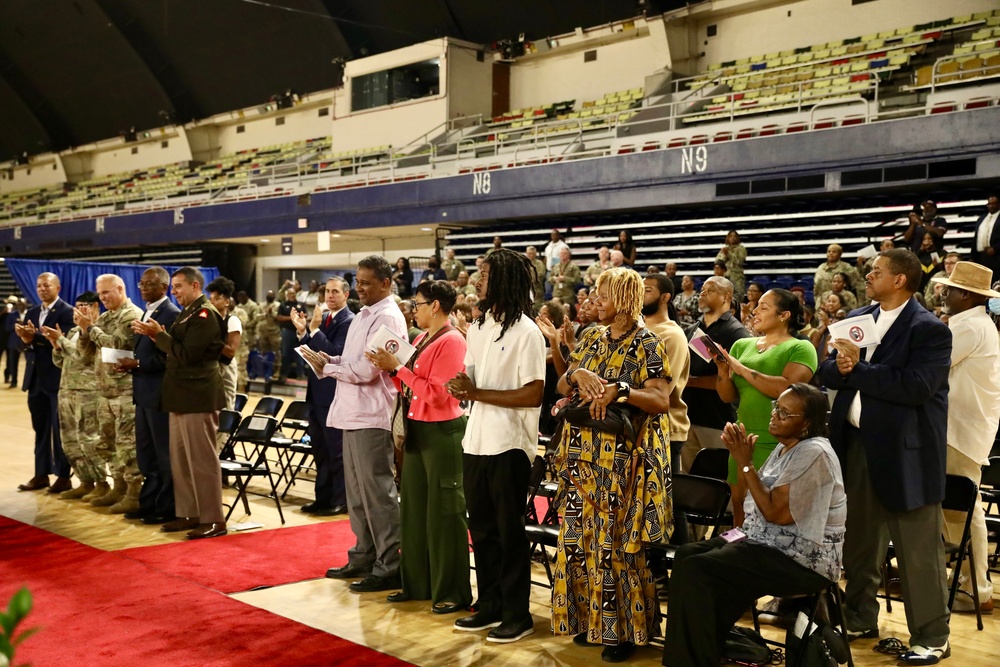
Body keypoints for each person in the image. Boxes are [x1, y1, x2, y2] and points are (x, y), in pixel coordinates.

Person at [817, 249, 952, 665]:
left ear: (900, 280)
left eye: (877, 270)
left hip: (906, 453)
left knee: (916, 550)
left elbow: (915, 387)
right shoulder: (859, 317)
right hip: (856, 444)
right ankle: (859, 617)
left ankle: (933, 636)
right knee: (858, 543)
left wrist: (854, 370)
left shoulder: (929, 330)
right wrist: (837, 365)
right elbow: (826, 373)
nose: (868, 274)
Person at [662, 384, 846, 667]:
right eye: (776, 408)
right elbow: (756, 507)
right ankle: (705, 647)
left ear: (807, 423)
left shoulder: (814, 453)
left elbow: (775, 513)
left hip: (801, 560)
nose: (775, 416)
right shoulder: (786, 448)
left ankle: (692, 659)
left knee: (699, 569)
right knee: (687, 556)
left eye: (785, 413)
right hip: (764, 542)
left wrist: (745, 463)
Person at [552, 268, 672, 662]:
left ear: (623, 299)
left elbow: (660, 401)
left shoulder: (648, 343)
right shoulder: (591, 338)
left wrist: (621, 389)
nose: (593, 301)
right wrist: (576, 371)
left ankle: (624, 631)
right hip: (582, 460)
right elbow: (562, 386)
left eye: (602, 295)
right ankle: (591, 622)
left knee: (617, 548)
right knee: (580, 543)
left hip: (624, 463)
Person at [446, 248, 545, 644]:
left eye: (484, 274)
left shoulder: (528, 333)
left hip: (510, 444)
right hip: (477, 439)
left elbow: (534, 393)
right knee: (482, 530)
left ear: (503, 279)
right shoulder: (480, 325)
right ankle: (488, 606)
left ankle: (516, 614)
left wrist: (478, 391)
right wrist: (460, 383)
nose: (477, 279)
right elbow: (470, 375)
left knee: (509, 532)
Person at [366, 280, 472, 614]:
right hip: (417, 429)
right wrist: (389, 368)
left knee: (445, 513)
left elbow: (439, 394)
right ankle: (417, 583)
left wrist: (397, 368)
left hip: (442, 431)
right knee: (413, 510)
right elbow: (411, 384)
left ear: (436, 306)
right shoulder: (420, 338)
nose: (415, 308)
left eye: (419, 302)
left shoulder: (453, 340)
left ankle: (452, 590)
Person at [302, 256, 406, 592]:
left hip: (372, 415)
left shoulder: (388, 316)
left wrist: (327, 369)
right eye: (357, 281)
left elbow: (365, 372)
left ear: (386, 284)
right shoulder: (365, 315)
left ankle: (390, 564)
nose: (358, 288)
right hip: (352, 412)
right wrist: (328, 360)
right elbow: (351, 362)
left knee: (378, 493)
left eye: (365, 283)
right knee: (358, 494)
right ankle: (364, 553)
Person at [133, 266, 228, 540]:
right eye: (172, 287)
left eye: (178, 287)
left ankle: (213, 518)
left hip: (198, 395)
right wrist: (159, 336)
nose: (173, 292)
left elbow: (186, 354)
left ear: (195, 286)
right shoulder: (188, 313)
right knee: (181, 460)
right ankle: (189, 512)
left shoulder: (204, 314)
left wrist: (158, 336)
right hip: (180, 394)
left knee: (202, 460)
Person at [714, 288, 817, 526]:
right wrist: (723, 371)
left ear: (784, 315)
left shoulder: (801, 347)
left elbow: (787, 389)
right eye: (756, 305)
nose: (754, 310)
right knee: (739, 509)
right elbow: (727, 396)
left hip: (777, 440)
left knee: (767, 513)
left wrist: (741, 369)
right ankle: (735, 555)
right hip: (741, 438)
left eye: (763, 306)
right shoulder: (741, 345)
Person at [932, 262, 1000, 615]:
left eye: (950, 289)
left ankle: (975, 588)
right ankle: (970, 585)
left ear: (968, 295)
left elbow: (931, 365)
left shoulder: (971, 326)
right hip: (959, 429)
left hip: (960, 430)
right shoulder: (970, 323)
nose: (943, 293)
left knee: (962, 509)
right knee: (957, 510)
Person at [116, 267, 180, 523]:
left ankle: (167, 508)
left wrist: (139, 365)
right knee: (146, 456)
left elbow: (171, 357)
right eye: (141, 284)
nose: (142, 288)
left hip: (160, 394)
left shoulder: (171, 315)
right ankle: (149, 503)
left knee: (163, 456)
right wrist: (129, 362)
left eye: (149, 284)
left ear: (164, 287)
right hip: (143, 393)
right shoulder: (148, 311)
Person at [75, 274, 144, 513]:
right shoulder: (105, 317)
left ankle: (134, 494)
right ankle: (119, 487)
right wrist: (84, 332)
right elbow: (86, 355)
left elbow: (118, 345)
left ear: (120, 288)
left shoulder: (131, 315)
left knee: (128, 446)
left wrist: (91, 328)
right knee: (108, 445)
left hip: (125, 391)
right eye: (100, 293)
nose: (103, 298)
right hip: (105, 392)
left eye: (107, 292)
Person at [292, 277, 353, 516]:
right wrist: (302, 332)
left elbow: (335, 353)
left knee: (335, 451)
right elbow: (312, 354)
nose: (329, 295)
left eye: (335, 291)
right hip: (317, 395)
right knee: (320, 450)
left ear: (346, 295)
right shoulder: (326, 318)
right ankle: (323, 498)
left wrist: (314, 330)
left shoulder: (349, 321)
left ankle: (341, 499)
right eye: (327, 291)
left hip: (334, 395)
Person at [678, 277, 751, 474]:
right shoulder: (692, 329)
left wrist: (689, 382)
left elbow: (738, 378)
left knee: (719, 479)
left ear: (726, 297)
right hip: (688, 415)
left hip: (719, 419)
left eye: (709, 290)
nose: (702, 293)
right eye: (702, 290)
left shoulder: (736, 332)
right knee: (688, 478)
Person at [15, 272, 75, 492]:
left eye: (46, 285)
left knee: (60, 431)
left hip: (57, 378)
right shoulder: (31, 311)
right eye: (39, 286)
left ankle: (63, 475)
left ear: (57, 288)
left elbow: (65, 344)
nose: (42, 289)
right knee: (40, 429)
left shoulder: (67, 312)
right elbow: (23, 345)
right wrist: (24, 340)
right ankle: (41, 474)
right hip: (35, 380)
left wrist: (35, 339)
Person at [43, 291, 105, 500]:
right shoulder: (73, 332)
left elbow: (83, 357)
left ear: (96, 307)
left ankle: (101, 483)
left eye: (85, 306)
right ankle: (84, 481)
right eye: (77, 306)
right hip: (67, 391)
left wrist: (61, 339)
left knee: (89, 440)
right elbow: (62, 362)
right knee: (70, 440)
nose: (78, 310)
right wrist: (56, 346)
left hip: (89, 392)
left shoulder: (99, 331)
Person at [643, 273, 690, 479]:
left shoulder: (672, 334)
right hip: (639, 425)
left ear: (665, 298)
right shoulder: (638, 328)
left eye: (647, 290)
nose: (640, 296)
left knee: (668, 504)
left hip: (665, 428)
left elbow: (662, 391)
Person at [207, 277, 241, 409]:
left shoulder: (232, 321)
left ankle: (226, 429)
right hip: (210, 365)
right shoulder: (207, 321)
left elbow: (231, 351)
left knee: (226, 403)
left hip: (225, 366)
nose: (212, 302)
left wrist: (209, 341)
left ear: (227, 302)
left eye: (217, 299)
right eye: (211, 299)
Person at [276, 287, 305, 381]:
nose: (292, 295)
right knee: (285, 354)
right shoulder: (283, 305)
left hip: (298, 331)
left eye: (293, 293)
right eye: (290, 294)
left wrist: (297, 318)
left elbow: (305, 315)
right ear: (287, 295)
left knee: (300, 353)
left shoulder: (300, 305)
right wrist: (292, 318)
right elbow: (279, 317)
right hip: (287, 332)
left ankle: (301, 374)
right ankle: (284, 375)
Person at [971, 194, 1000, 275]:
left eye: (993, 203)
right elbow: (976, 237)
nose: (991, 206)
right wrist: (972, 256)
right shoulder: (981, 218)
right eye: (989, 204)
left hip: (996, 256)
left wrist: (995, 248)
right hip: (980, 256)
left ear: (999, 204)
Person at [256, 290, 281, 379]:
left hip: (274, 332)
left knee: (276, 352)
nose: (269, 296)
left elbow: (279, 317)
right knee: (264, 352)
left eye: (271, 295)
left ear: (274, 296)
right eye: (268, 295)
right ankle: (264, 370)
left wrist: (272, 313)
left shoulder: (278, 305)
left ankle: (276, 370)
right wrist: (266, 314)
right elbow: (257, 317)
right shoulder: (261, 305)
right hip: (263, 332)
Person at [716, 230, 746, 302]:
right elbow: (718, 261)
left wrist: (728, 254)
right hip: (725, 276)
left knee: (738, 296)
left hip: (737, 276)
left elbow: (740, 261)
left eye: (734, 236)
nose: (733, 238)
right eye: (731, 236)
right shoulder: (724, 249)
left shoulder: (741, 249)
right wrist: (725, 255)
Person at [5, 297, 25, 388]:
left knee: (32, 362)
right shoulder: (12, 315)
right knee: (13, 363)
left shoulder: (31, 313)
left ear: (26, 305)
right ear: (17, 306)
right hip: (14, 342)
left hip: (28, 342)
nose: (21, 306)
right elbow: (7, 327)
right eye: (19, 304)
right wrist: (17, 326)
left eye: (23, 304)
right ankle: (14, 382)